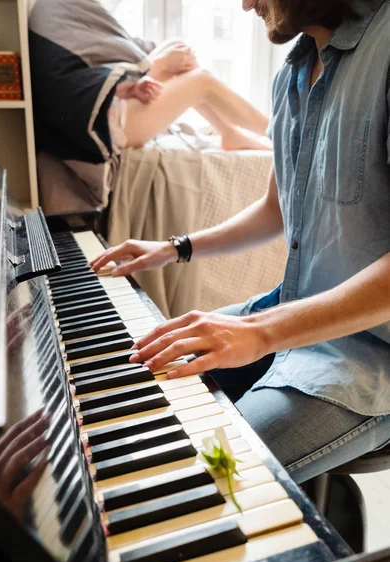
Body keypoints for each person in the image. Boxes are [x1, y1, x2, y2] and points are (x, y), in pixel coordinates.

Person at [91, 0, 390, 484]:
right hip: (294, 314)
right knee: (141, 377)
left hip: (370, 361)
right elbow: (277, 209)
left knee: (191, 476)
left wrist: (261, 332)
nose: (246, 3)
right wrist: (173, 247)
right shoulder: (291, 73)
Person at [28, 0, 272, 169]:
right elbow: (74, 86)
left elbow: (116, 49)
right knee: (202, 81)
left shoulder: (58, 9)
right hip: (104, 122)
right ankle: (281, 133)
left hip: (110, 101)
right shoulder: (60, 7)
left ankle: (229, 133)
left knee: (178, 48)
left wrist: (156, 64)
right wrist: (158, 64)